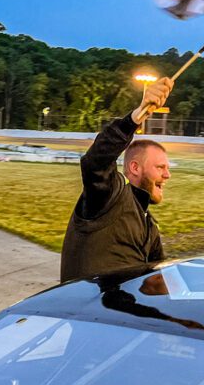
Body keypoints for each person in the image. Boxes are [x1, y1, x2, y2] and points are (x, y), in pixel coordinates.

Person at [60, 77, 174, 282]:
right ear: (134, 168)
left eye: (167, 168)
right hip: (88, 312)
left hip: (122, 313)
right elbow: (95, 161)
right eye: (160, 167)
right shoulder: (109, 197)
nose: (167, 175)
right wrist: (135, 117)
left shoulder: (148, 224)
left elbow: (159, 281)